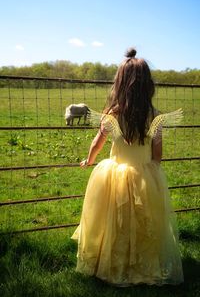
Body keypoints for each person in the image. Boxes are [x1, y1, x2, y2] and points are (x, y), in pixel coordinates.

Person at [71, 48, 184, 286]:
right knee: (144, 222)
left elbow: (97, 143)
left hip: (114, 174)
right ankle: (141, 262)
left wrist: (89, 161)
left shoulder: (113, 113)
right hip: (144, 172)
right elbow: (158, 154)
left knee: (114, 220)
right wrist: (149, 172)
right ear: (147, 85)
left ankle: (113, 261)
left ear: (120, 83)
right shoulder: (155, 116)